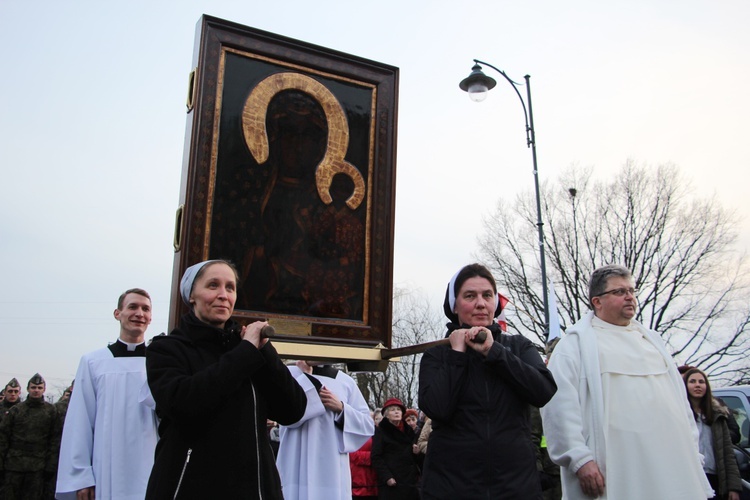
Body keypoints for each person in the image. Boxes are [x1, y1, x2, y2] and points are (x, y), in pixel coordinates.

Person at [541, 264, 714, 499]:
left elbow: (680, 404)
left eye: (631, 291)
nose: (629, 297)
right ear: (597, 301)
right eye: (620, 292)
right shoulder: (574, 346)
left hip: (671, 464)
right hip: (617, 470)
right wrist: (579, 459)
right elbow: (558, 408)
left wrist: (694, 451)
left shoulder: (652, 342)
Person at [145, 259, 307, 499]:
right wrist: (247, 353)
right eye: (213, 286)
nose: (223, 295)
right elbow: (184, 403)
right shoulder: (167, 349)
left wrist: (265, 353)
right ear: (192, 296)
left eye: (230, 288)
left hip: (256, 489)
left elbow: (293, 410)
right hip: (192, 487)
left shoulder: (247, 347)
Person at [418, 263, 557, 499]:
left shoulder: (518, 346)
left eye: (487, 295)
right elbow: (437, 408)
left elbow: (543, 391)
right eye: (470, 296)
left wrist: (494, 352)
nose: (480, 303)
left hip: (515, 487)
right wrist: (457, 355)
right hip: (451, 488)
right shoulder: (437, 355)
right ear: (455, 305)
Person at [56, 288, 159, 500]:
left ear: (150, 318)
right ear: (117, 313)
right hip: (107, 467)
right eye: (132, 307)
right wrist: (81, 476)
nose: (139, 313)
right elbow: (80, 422)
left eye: (145, 309)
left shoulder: (159, 362)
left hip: (150, 463)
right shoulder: (93, 362)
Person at [277, 360, 374, 499]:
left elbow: (367, 426)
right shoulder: (287, 373)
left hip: (332, 470)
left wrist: (341, 408)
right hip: (295, 463)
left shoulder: (344, 381)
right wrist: (306, 380)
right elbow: (286, 415)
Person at [683, 367, 742, 500]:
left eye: (701, 382)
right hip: (691, 477)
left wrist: (734, 487)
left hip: (715, 478)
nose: (697, 385)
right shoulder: (680, 415)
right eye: (692, 381)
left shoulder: (718, 416)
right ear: (684, 386)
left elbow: (728, 454)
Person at [0, 373, 59, 500]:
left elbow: (54, 440)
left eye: (39, 388)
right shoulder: (16, 410)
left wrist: (51, 465)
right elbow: (3, 438)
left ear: (44, 389)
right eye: (33, 387)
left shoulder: (51, 411)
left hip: (38, 466)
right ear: (28, 389)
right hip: (13, 465)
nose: (36, 391)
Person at [371, 398, 421, 500]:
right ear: (386, 414)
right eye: (392, 410)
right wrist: (387, 477)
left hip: (410, 481)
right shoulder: (381, 431)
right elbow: (376, 457)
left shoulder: (409, 431)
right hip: (393, 482)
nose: (396, 412)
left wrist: (416, 453)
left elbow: (415, 458)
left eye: (398, 409)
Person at [350, 411, 379, 500]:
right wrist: (373, 457)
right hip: (358, 483)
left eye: (371, 418)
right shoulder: (352, 433)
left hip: (374, 485)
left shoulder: (377, 434)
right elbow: (352, 454)